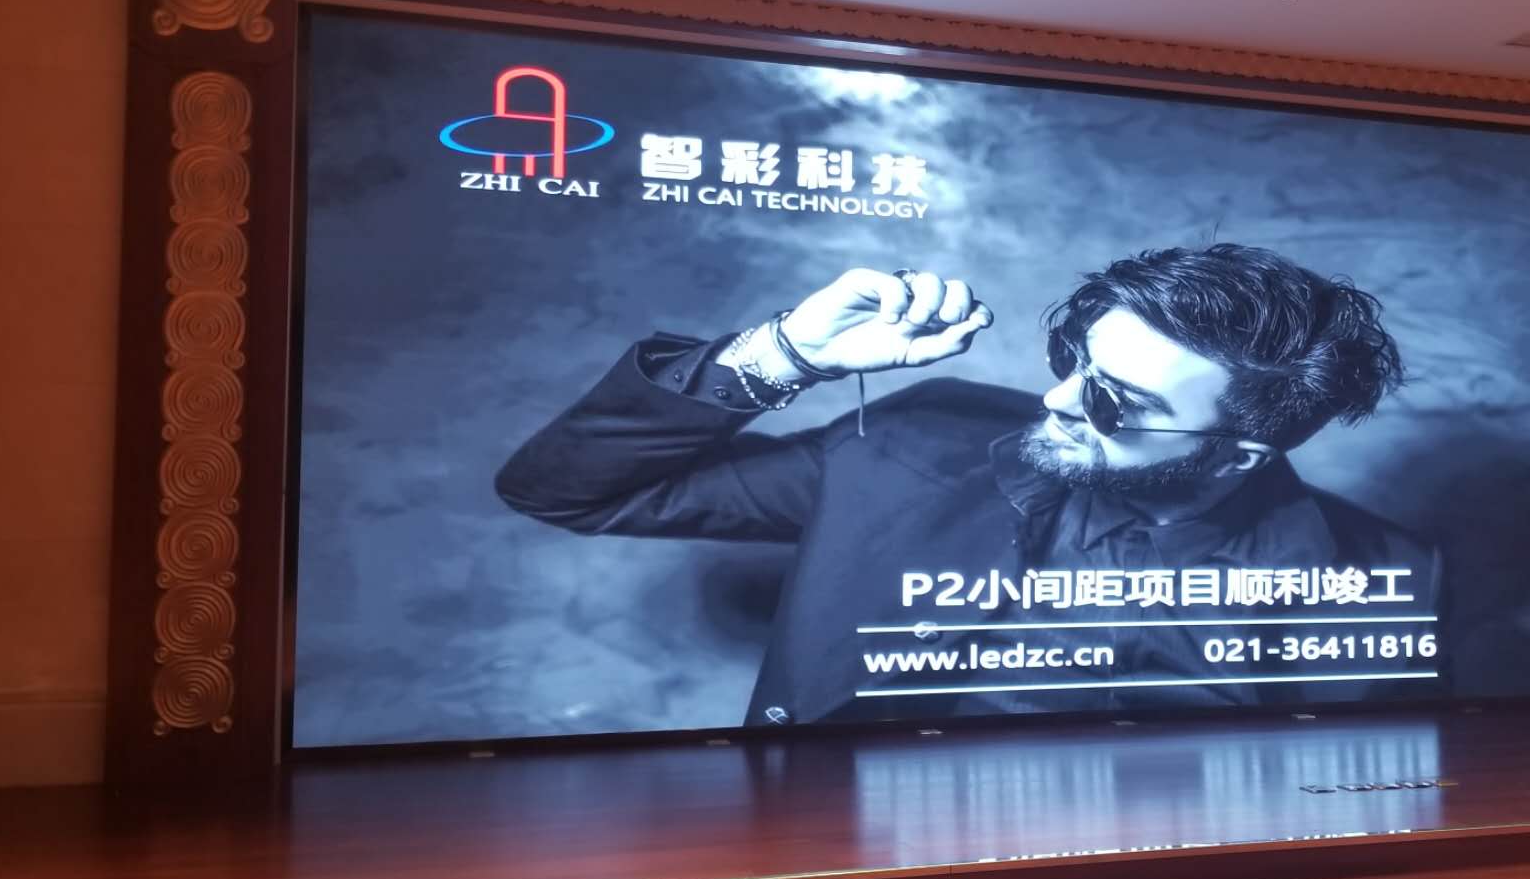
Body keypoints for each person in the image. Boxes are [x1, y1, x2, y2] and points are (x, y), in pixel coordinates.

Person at [496, 244, 1442, 727]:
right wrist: (784, 355)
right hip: (837, 876)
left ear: (1239, 454)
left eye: (1113, 400)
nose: (1056, 397)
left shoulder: (1379, 575)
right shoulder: (916, 442)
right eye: (1072, 357)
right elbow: (569, 492)